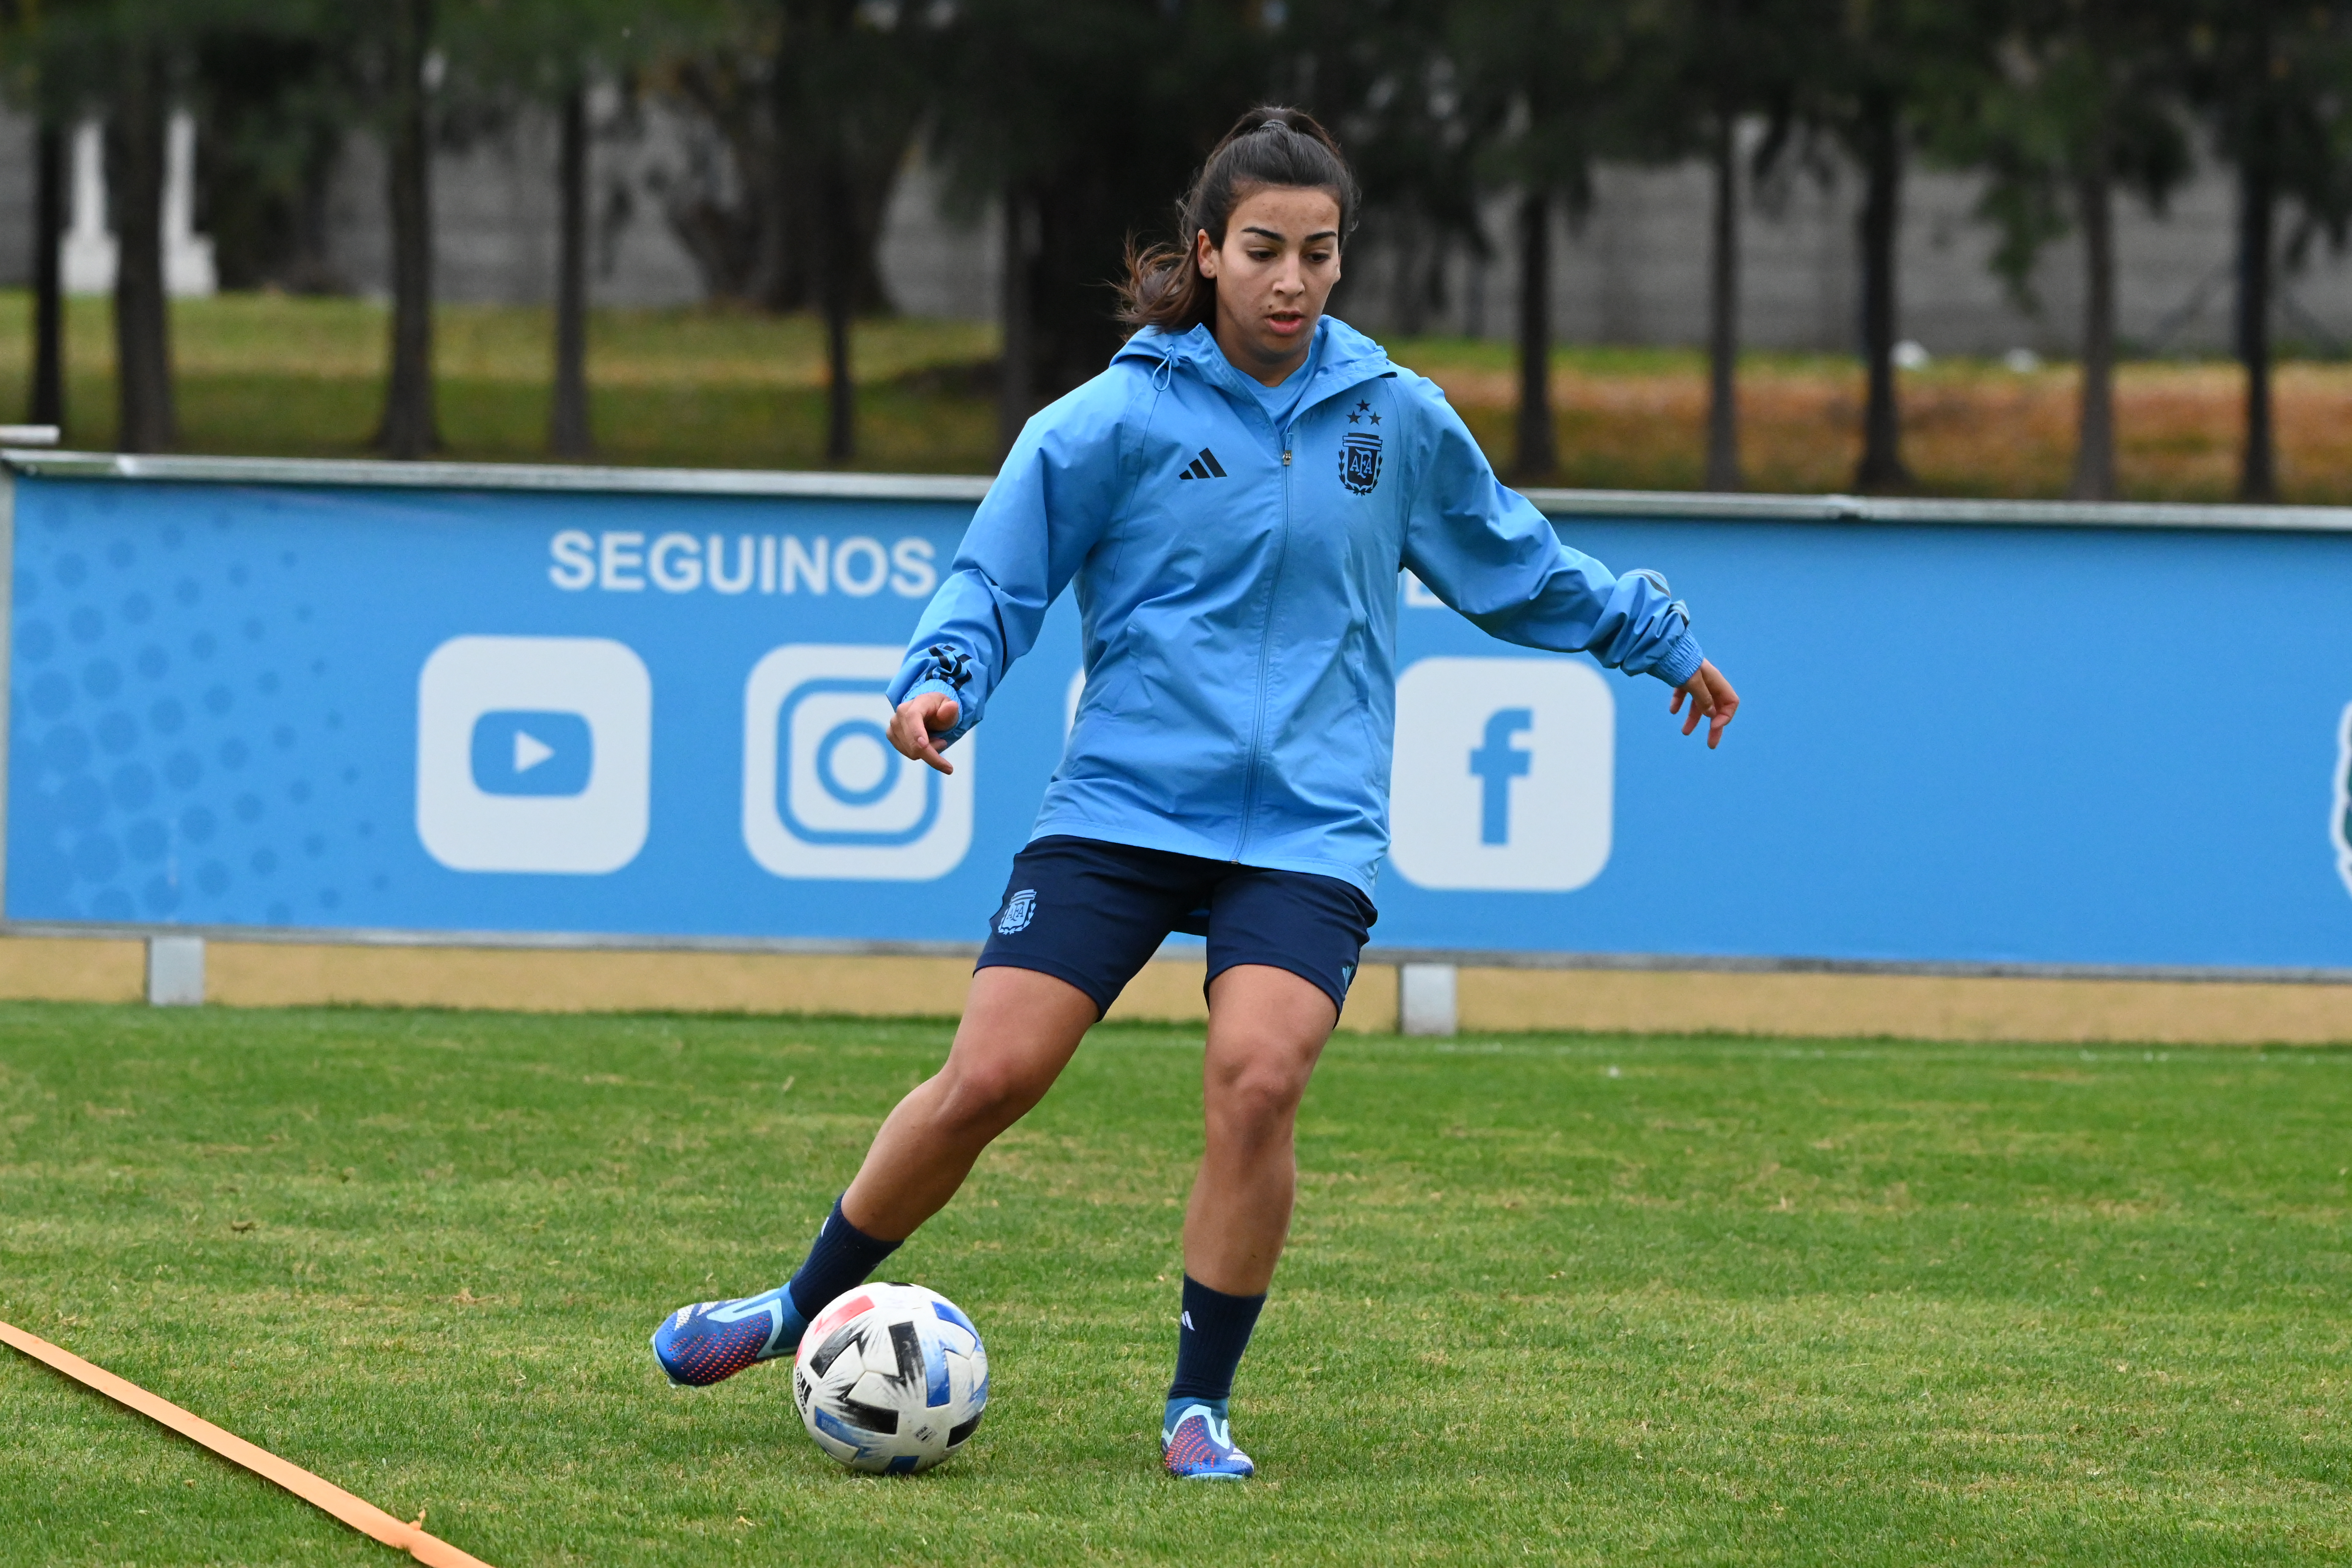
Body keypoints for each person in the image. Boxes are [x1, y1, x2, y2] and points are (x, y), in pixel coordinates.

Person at [651, 106, 1739, 1481]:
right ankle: (795, 1306)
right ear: (1209, 253)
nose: (1293, 281)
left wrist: (1655, 638)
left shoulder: (1393, 419)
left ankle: (1195, 1409)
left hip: (1306, 825)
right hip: (1121, 807)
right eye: (1266, 251)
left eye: (1321, 254)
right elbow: (1000, 579)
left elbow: (1514, 560)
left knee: (1260, 1077)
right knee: (993, 1075)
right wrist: (943, 680)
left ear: (1344, 261)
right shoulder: (1114, 417)